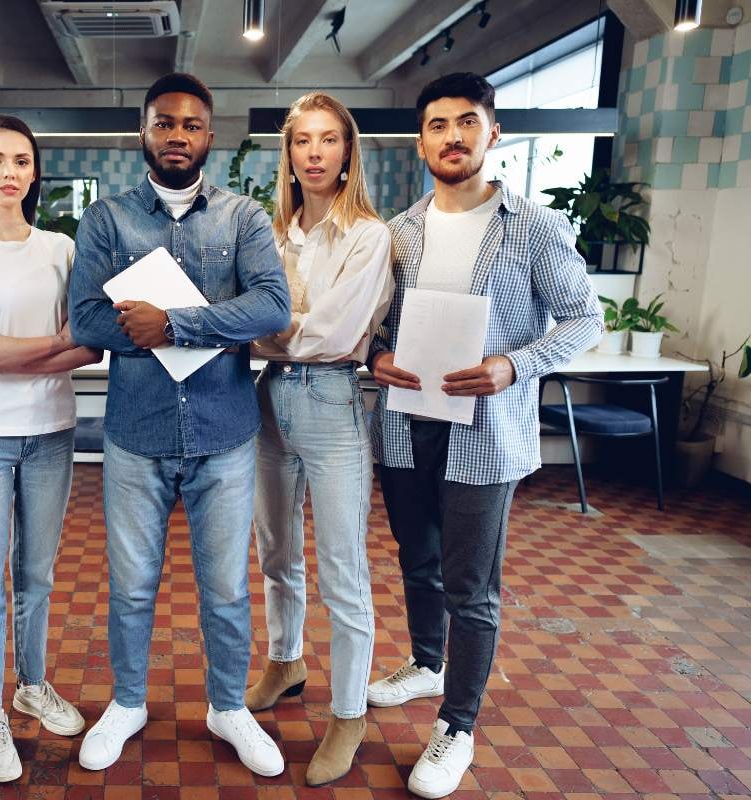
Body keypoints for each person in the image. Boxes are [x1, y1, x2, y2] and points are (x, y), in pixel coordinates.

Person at [366, 72, 603, 799]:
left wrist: (512, 365)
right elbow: (377, 324)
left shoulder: (532, 227)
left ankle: (458, 725)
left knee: (472, 586)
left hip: (486, 431)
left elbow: (585, 318)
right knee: (417, 560)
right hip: (407, 426)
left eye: (467, 122)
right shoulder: (398, 231)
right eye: (438, 125)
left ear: (492, 132)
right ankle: (427, 661)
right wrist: (376, 356)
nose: (453, 137)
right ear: (421, 141)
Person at [68, 72, 292, 778]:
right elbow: (86, 319)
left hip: (224, 435)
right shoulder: (107, 220)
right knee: (132, 585)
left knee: (226, 588)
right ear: (144, 131)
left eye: (191, 125)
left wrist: (176, 323)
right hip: (136, 434)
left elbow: (271, 308)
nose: (177, 136)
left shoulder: (243, 218)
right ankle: (128, 701)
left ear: (209, 135)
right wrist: (162, 327)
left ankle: (229, 706)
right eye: (164, 123)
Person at [0, 113, 100, 783]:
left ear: (35, 172)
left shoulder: (61, 248)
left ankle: (32, 686)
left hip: (52, 430)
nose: (10, 173)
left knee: (36, 573)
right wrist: (52, 346)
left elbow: (90, 344)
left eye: (22, 162)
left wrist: (19, 352)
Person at [245, 92, 392, 787]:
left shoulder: (368, 235)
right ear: (289, 152)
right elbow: (261, 314)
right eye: (302, 140)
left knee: (342, 569)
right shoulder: (273, 235)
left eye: (328, 139)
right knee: (275, 550)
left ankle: (349, 712)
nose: (314, 152)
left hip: (332, 399)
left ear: (347, 150)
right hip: (269, 398)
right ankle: (286, 659)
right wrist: (268, 329)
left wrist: (263, 331)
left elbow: (331, 333)